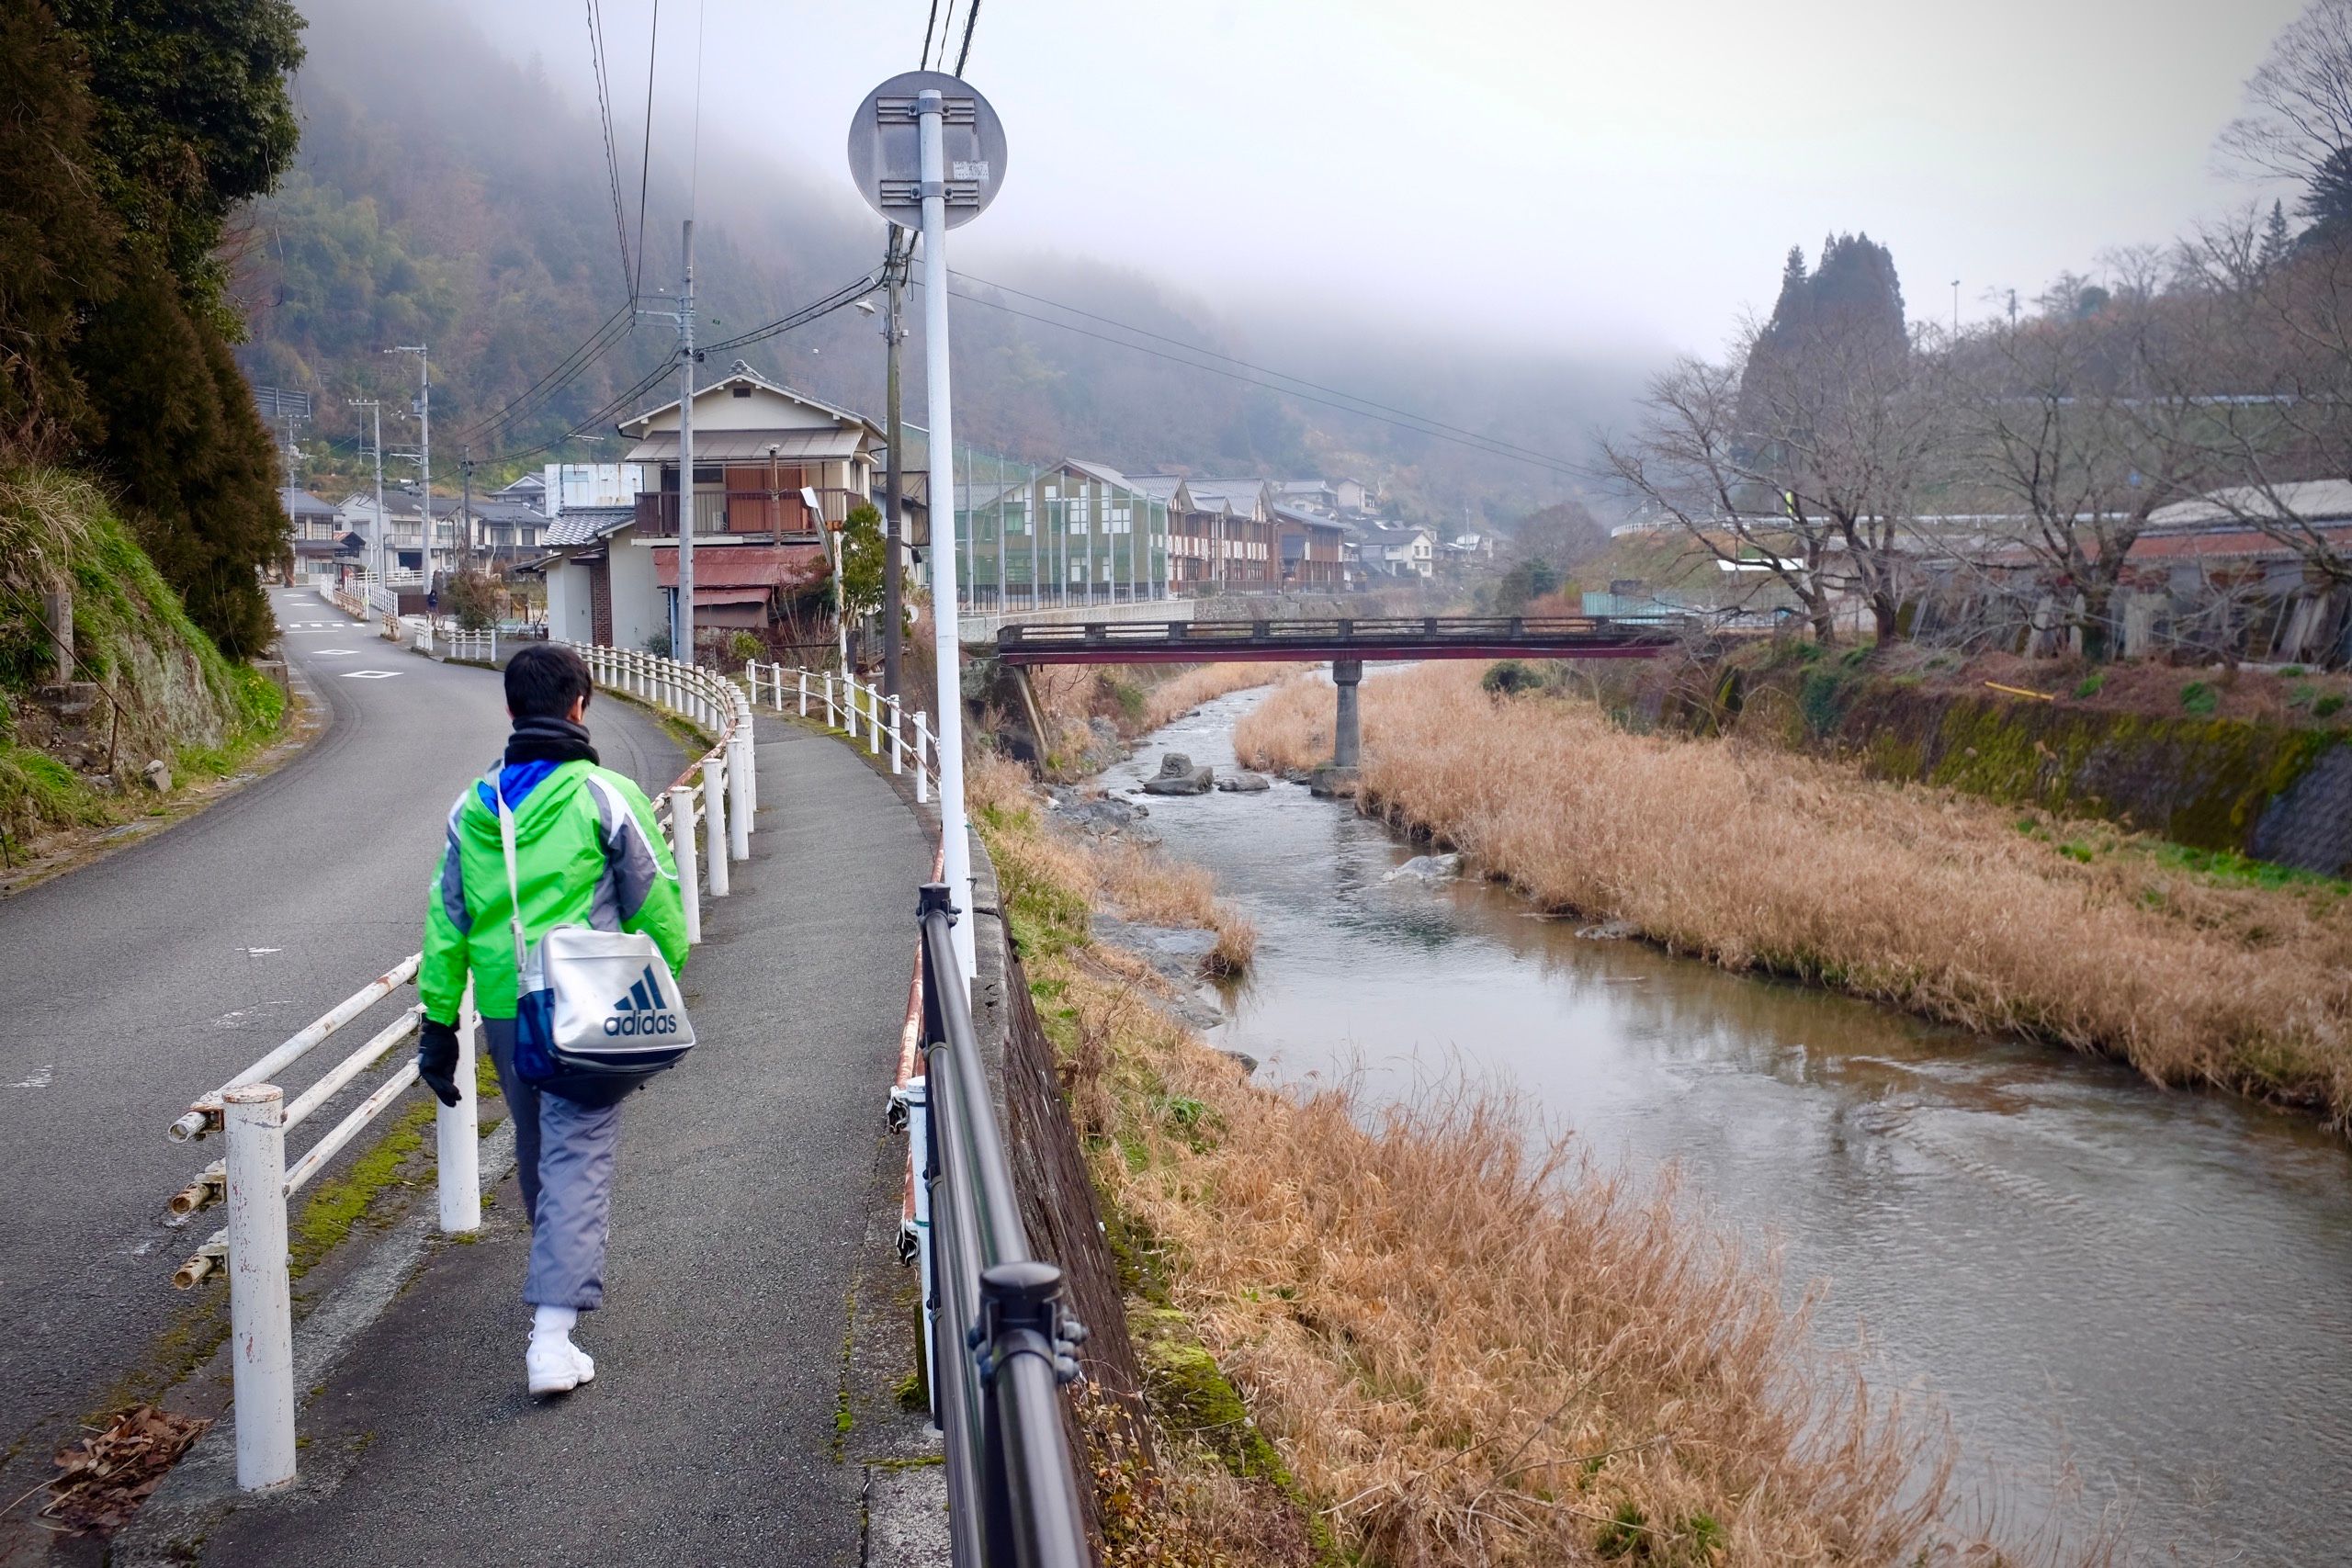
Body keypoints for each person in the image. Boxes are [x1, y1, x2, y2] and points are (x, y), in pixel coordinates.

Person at [414, 643, 689, 1395]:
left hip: (506, 1007)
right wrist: (662, 983)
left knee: (542, 1148)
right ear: (580, 704)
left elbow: (447, 921)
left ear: (509, 709)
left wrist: (440, 1025)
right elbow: (659, 909)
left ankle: (556, 1288)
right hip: (586, 1006)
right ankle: (552, 1336)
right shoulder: (605, 795)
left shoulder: (472, 807)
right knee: (578, 1154)